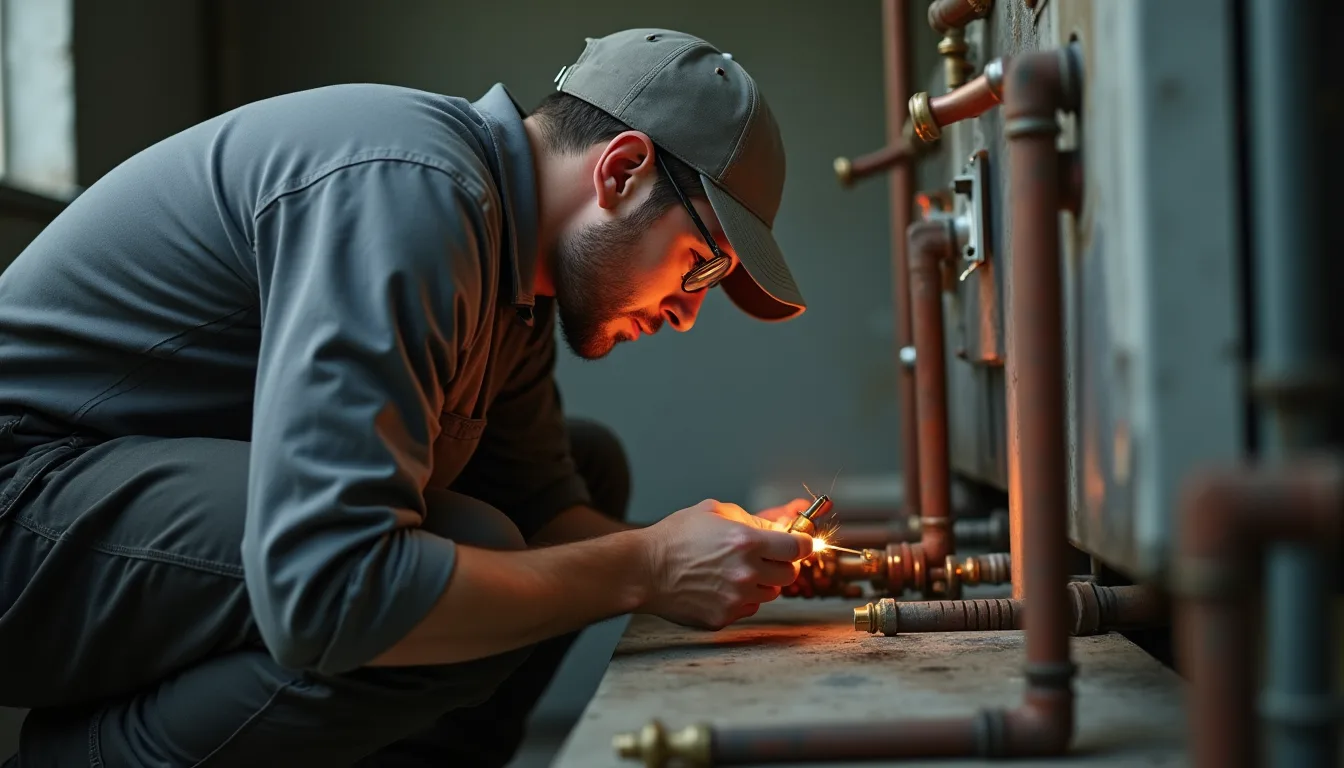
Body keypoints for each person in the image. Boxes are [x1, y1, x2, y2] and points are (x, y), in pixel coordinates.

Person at [0, 27, 815, 767]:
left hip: (105, 504)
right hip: (23, 494)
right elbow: (332, 587)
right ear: (623, 170)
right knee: (472, 556)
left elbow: (549, 509)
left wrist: (722, 555)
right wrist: (649, 564)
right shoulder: (412, 189)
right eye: (703, 263)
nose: (687, 310)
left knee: (572, 481)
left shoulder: (512, 268)